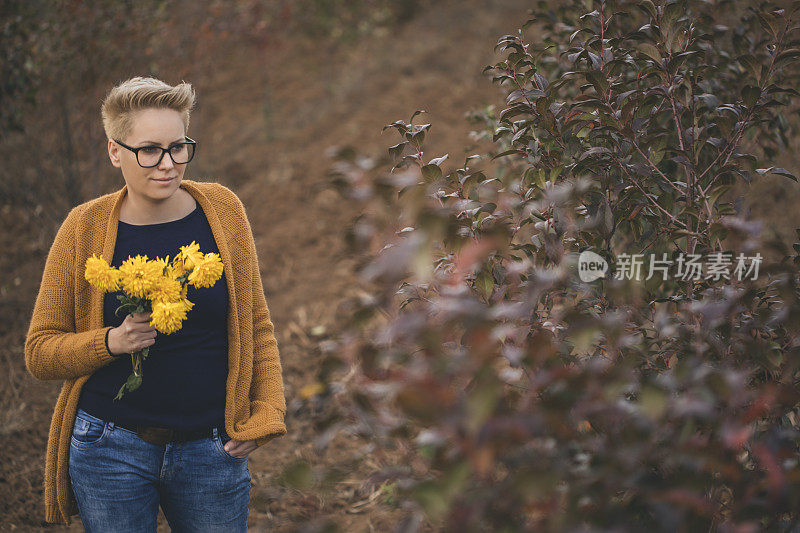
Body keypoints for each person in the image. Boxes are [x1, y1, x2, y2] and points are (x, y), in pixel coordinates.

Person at [24, 76, 287, 531]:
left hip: (212, 448)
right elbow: (39, 352)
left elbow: (256, 323)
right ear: (114, 152)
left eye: (178, 146)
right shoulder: (82, 229)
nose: (167, 164)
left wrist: (267, 412)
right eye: (149, 150)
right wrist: (110, 341)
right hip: (109, 450)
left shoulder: (222, 211)